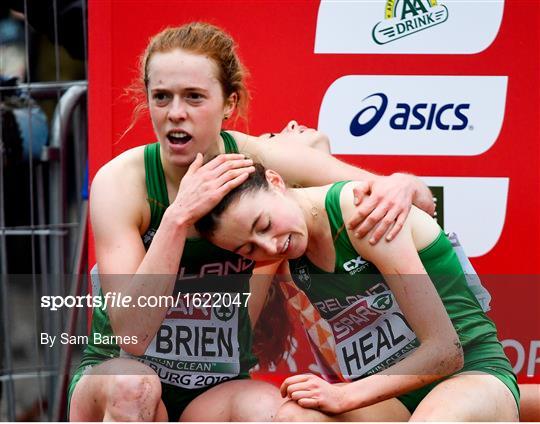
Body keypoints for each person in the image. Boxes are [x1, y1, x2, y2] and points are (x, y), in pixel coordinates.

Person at [68, 22, 435, 422]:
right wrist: (176, 218)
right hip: (115, 375)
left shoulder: (259, 158)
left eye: (194, 97)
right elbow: (132, 334)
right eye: (162, 97)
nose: (175, 113)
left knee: (272, 409)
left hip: (216, 390)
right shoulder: (121, 182)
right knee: (134, 386)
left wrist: (401, 184)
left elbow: (417, 198)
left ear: (229, 102)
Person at [195, 163, 520, 421]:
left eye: (264, 225)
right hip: (391, 400)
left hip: (471, 377)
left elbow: (445, 352)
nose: (270, 245)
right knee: (296, 417)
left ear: (277, 182)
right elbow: (237, 339)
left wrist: (343, 394)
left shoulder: (359, 211)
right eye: (248, 247)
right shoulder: (285, 252)